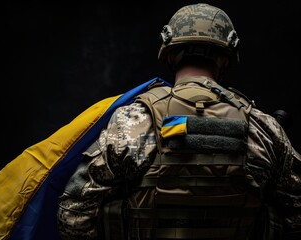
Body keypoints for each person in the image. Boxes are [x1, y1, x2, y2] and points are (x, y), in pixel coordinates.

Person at [57, 3, 301, 240]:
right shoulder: (264, 129)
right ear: (226, 59)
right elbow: (295, 216)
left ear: (171, 55)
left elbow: (74, 212)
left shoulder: (133, 121)